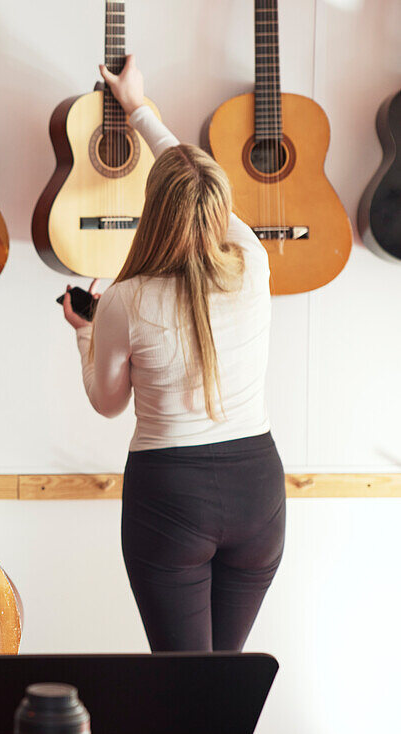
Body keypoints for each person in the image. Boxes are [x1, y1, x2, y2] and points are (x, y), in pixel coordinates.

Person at [61, 57, 285, 652]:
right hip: (258, 488)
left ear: (153, 207)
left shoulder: (126, 301)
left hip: (171, 497)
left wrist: (84, 332)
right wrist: (140, 111)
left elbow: (108, 403)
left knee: (183, 684)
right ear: (220, 209)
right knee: (222, 683)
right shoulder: (253, 261)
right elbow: (191, 180)